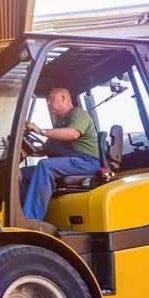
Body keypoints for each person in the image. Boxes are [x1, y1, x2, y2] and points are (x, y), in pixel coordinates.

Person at [20, 87, 101, 221]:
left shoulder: (78, 114)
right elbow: (46, 149)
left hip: (85, 162)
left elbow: (73, 133)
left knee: (45, 166)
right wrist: (25, 149)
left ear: (63, 98)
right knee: (23, 174)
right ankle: (20, 214)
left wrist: (41, 131)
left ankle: (30, 220)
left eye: (51, 99)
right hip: (70, 162)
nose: (49, 103)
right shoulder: (59, 124)